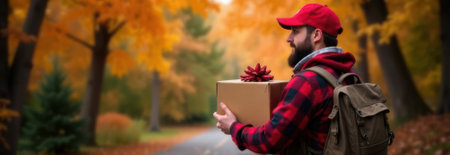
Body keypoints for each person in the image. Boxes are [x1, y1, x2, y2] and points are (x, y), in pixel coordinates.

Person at [213, 3, 357, 154]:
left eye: (295, 31)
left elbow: (269, 140)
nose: (289, 38)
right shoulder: (349, 75)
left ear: (316, 35)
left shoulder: (307, 82)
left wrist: (234, 127)